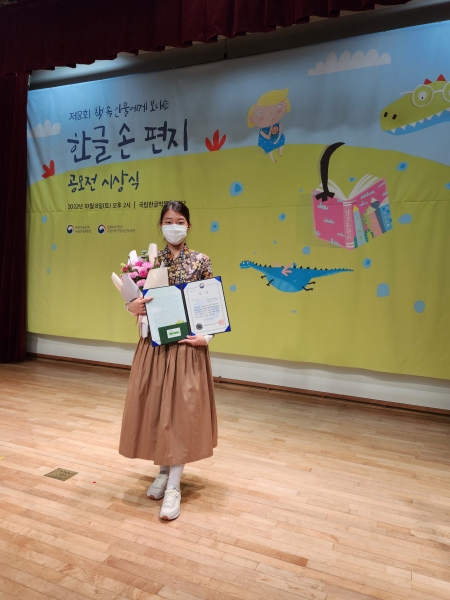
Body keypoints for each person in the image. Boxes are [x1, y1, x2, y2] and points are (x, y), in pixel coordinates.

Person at [119, 201, 217, 521]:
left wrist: (206, 337)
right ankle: (162, 471)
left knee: (181, 414)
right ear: (160, 225)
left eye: (180, 221)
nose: (174, 226)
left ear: (188, 225)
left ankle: (174, 485)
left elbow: (210, 304)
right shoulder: (147, 262)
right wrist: (131, 307)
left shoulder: (200, 260)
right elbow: (136, 301)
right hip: (154, 347)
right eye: (168, 221)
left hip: (186, 348)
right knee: (156, 409)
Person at [247, 88, 291, 162]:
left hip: (276, 137)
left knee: (281, 139)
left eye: (279, 105)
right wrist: (271, 132)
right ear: (251, 119)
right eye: (259, 113)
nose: (271, 113)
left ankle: (280, 153)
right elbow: (266, 136)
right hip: (268, 139)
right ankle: (272, 158)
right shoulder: (262, 130)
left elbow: (280, 132)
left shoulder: (277, 124)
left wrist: (277, 138)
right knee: (268, 145)